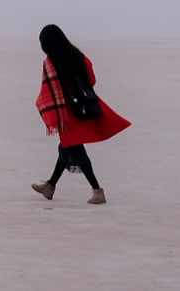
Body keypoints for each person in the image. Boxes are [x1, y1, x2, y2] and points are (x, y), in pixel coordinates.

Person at [31, 25, 130, 205]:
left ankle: (97, 191)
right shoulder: (77, 55)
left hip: (67, 113)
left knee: (75, 148)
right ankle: (50, 186)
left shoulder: (51, 62)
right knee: (66, 146)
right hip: (82, 107)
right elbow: (91, 79)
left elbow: (48, 91)